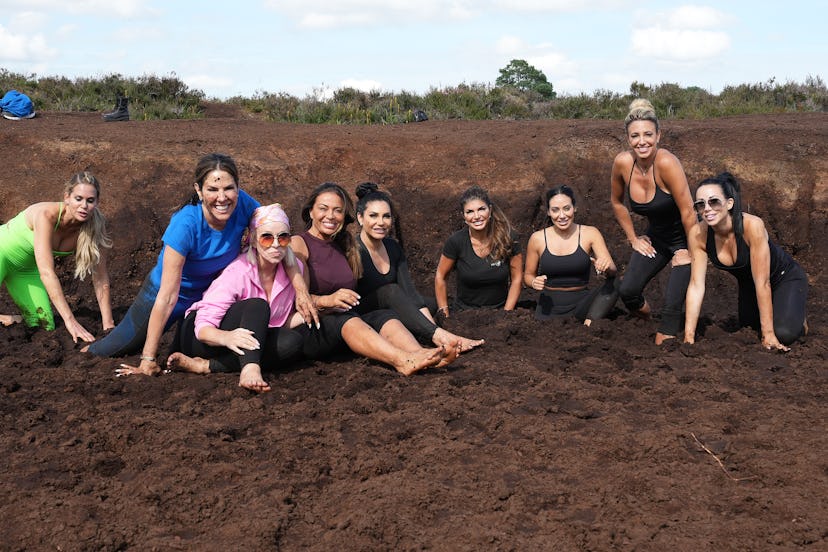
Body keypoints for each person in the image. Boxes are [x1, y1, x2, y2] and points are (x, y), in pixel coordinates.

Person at [89, 153, 315, 376]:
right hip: (169, 294)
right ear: (198, 190)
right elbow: (168, 296)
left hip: (213, 295)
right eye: (212, 190)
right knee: (117, 347)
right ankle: (88, 349)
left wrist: (301, 291)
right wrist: (148, 359)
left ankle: (204, 362)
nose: (222, 197)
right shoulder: (185, 225)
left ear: (238, 187)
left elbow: (276, 232)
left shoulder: (244, 204)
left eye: (228, 188)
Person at [290, 182, 458, 376]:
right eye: (323, 209)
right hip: (314, 328)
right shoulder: (299, 243)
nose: (330, 216)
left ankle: (420, 355)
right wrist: (327, 300)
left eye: (337, 210)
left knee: (384, 316)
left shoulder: (344, 245)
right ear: (310, 212)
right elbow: (297, 298)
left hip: (346, 325)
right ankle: (402, 360)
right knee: (345, 319)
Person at [167, 204, 306, 392]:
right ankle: (250, 369)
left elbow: (279, 323)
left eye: (282, 238)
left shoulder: (294, 269)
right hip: (202, 335)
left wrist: (325, 307)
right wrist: (226, 337)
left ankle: (206, 366)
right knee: (258, 306)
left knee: (291, 342)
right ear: (254, 240)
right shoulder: (238, 272)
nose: (275, 244)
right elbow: (203, 326)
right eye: (266, 238)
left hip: (245, 339)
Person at [353, 182, 484, 352]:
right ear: (360, 218)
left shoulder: (393, 247)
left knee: (432, 304)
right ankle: (441, 337)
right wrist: (438, 334)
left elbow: (409, 291)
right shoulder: (352, 249)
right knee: (390, 291)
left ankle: (429, 332)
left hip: (392, 307)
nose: (381, 222)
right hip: (361, 313)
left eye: (386, 216)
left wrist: (431, 326)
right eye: (373, 216)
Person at [684, 172, 808, 351]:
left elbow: (763, 282)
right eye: (700, 204)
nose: (707, 209)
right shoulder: (698, 234)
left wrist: (769, 335)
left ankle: (797, 319)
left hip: (783, 278)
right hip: (749, 284)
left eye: (714, 201)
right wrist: (689, 338)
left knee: (783, 334)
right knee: (749, 330)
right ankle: (781, 313)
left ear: (729, 203)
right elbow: (696, 286)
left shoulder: (752, 226)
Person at [610, 98, 697, 344]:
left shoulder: (667, 163)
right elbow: (617, 202)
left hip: (684, 238)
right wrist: (633, 239)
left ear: (659, 135)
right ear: (628, 139)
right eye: (635, 136)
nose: (642, 141)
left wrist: (690, 251)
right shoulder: (623, 163)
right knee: (627, 291)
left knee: (669, 315)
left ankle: (667, 332)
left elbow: (689, 212)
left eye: (648, 134)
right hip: (656, 237)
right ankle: (645, 322)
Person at [0, 171, 114, 341]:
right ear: (67, 197)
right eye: (78, 199)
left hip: (24, 271)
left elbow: (100, 278)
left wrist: (108, 325)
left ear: (97, 202)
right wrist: (70, 320)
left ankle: (9, 319)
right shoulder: (46, 215)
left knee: (44, 325)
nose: (84, 206)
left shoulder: (96, 228)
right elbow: (46, 272)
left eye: (90, 201)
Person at [524, 185, 619, 325]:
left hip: (582, 306)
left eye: (566, 208)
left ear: (574, 208)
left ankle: (590, 323)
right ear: (549, 212)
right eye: (555, 210)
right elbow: (527, 275)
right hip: (549, 308)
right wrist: (533, 282)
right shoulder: (537, 238)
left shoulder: (590, 233)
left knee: (617, 283)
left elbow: (612, 270)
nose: (562, 216)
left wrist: (605, 266)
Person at [434, 186, 523, 317]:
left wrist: (506, 314)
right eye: (469, 212)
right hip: (464, 315)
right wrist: (445, 314)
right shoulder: (456, 242)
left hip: (499, 314)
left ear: (490, 210)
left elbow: (517, 279)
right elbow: (440, 277)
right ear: (463, 216)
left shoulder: (508, 238)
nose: (476, 216)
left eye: (481, 209)